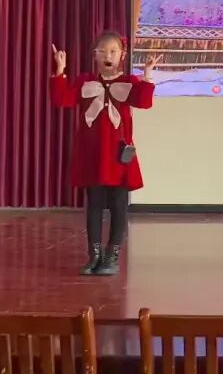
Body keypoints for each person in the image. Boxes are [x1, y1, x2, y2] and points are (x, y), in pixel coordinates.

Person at [50, 31, 159, 276]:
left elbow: (144, 102)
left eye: (112, 51)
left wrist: (148, 76)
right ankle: (94, 255)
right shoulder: (85, 81)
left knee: (119, 205)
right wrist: (60, 70)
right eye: (102, 51)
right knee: (94, 205)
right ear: (95, 55)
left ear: (122, 55)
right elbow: (62, 99)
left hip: (118, 156)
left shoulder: (130, 81)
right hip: (92, 154)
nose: (107, 56)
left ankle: (112, 255)